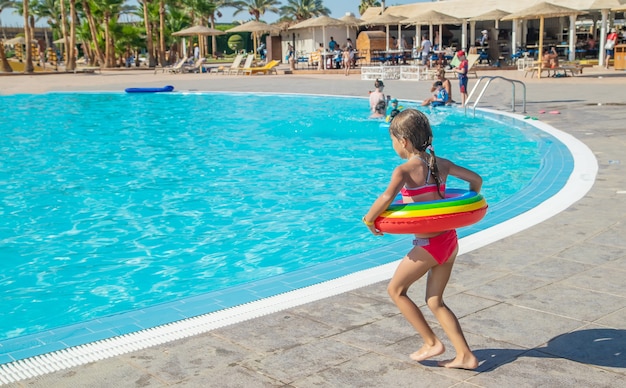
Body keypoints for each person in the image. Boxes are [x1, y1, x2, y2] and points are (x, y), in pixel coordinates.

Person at [362, 108, 481, 370]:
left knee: (396, 290)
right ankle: (465, 356)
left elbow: (385, 199)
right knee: (435, 300)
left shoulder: (404, 170)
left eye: (393, 140)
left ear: (403, 141)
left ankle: (431, 342)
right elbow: (476, 180)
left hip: (429, 246)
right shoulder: (442, 164)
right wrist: (460, 210)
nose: (394, 146)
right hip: (449, 240)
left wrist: (370, 220)